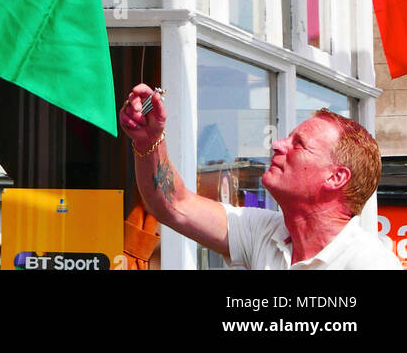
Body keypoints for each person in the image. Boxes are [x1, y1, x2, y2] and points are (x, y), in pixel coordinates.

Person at [119, 84, 401, 270]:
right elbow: (175, 206)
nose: (278, 144)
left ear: (336, 178)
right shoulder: (266, 231)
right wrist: (148, 141)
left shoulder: (370, 263)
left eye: (299, 144)